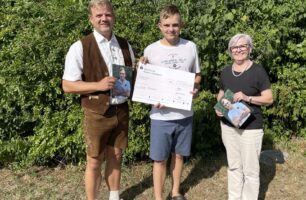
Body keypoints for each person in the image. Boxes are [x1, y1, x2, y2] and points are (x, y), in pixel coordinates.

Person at [62, 0, 135, 199]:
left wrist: (143, 65)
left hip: (121, 110)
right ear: (91, 19)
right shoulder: (79, 47)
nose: (104, 18)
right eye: (99, 15)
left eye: (108, 14)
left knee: (116, 155)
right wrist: (98, 85)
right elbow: (67, 85)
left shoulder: (125, 44)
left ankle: (114, 196)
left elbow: (133, 77)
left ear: (114, 17)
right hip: (96, 113)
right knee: (94, 160)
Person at [139, 5, 201, 200]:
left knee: (180, 155)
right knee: (159, 159)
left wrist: (195, 89)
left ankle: (175, 192)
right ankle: (158, 197)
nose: (171, 29)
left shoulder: (190, 47)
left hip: (184, 113)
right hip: (160, 115)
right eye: (167, 25)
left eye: (175, 25)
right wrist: (148, 88)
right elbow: (145, 80)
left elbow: (197, 76)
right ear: (159, 26)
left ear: (181, 25)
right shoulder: (150, 49)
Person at [215, 33, 273, 200]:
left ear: (249, 49)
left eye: (242, 46)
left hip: (251, 128)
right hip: (228, 125)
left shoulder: (258, 71)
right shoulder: (226, 72)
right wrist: (218, 108)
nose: (238, 50)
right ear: (230, 50)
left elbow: (269, 98)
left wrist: (247, 98)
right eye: (235, 47)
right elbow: (220, 94)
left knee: (250, 170)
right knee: (233, 166)